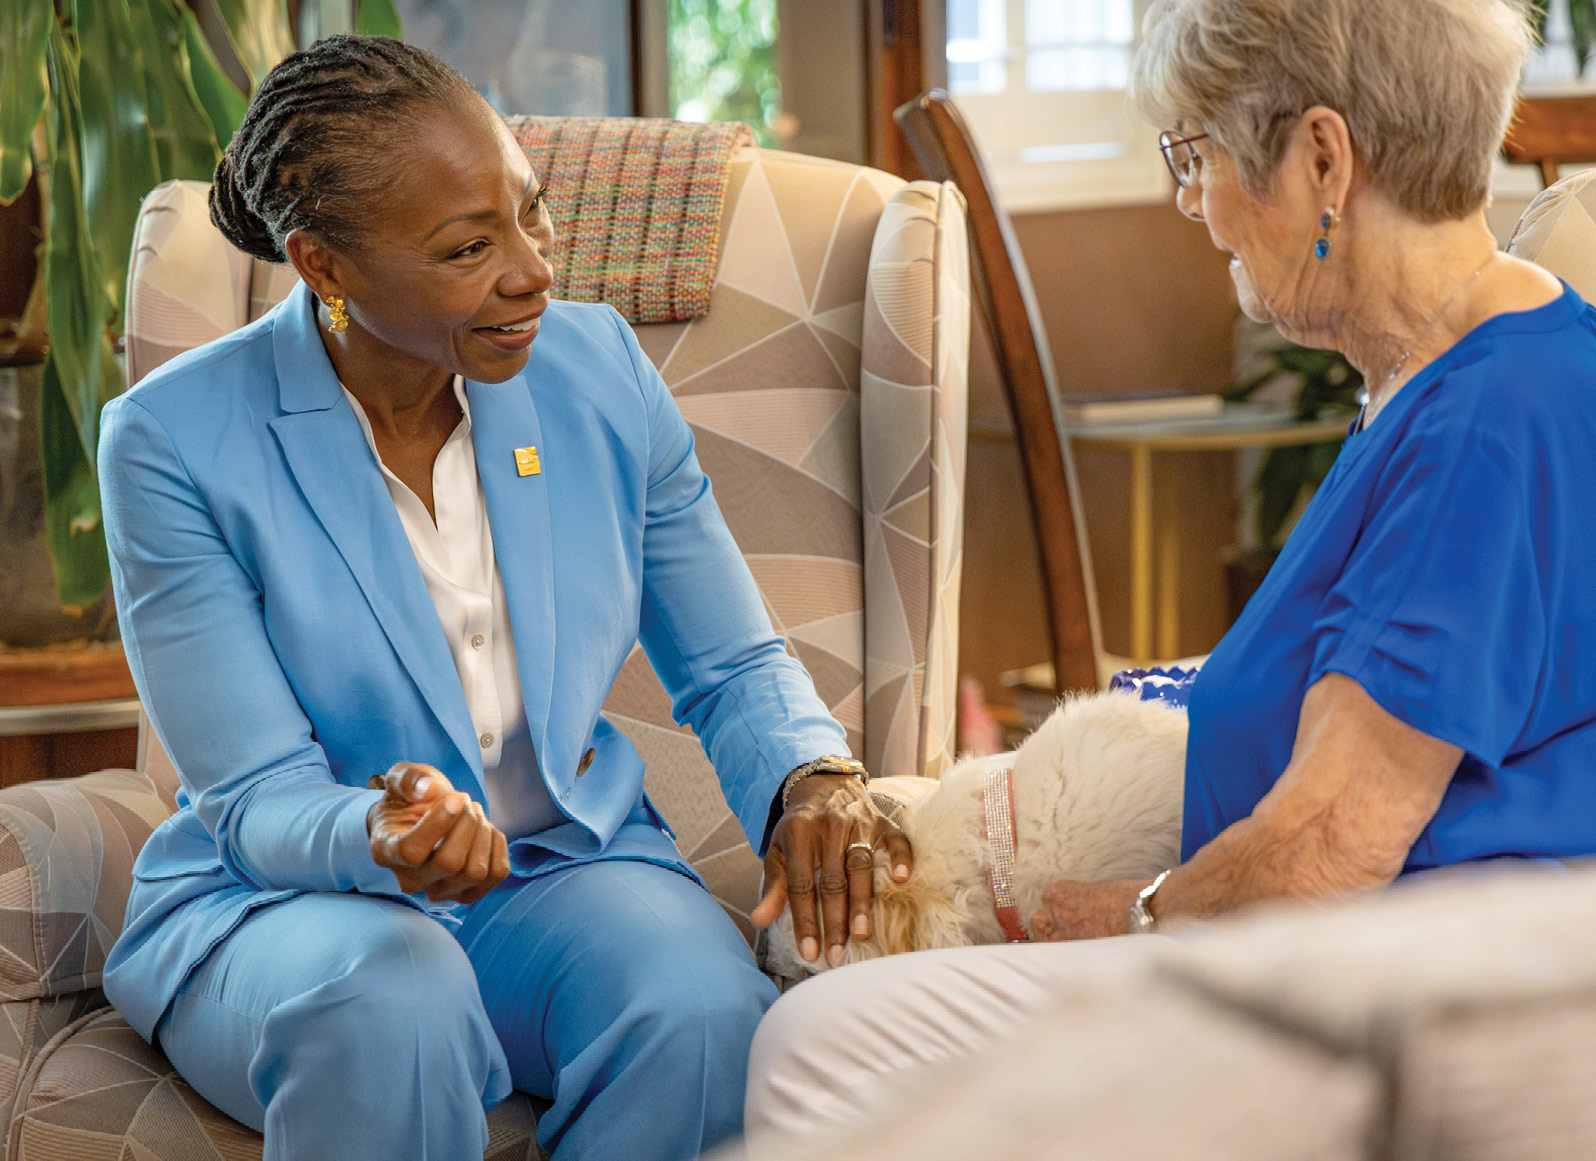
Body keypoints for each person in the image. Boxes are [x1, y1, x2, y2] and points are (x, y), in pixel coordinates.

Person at [742, 0, 1596, 1149]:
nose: (1189, 201)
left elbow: (1332, 851)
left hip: (1376, 970)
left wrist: (1140, 910)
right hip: (1327, 935)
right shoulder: (1458, 367)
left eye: (1197, 156)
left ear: (1324, 159)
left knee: (823, 1043)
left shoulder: (1481, 428)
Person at [98, 34, 911, 1161]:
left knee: (702, 1013)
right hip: (290, 903)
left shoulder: (600, 371)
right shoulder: (173, 438)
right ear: (323, 265)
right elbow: (255, 794)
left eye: (532, 215)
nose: (531, 271)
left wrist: (810, 779)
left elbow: (731, 660)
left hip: (558, 872)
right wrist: (380, 832)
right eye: (468, 248)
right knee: (395, 1002)